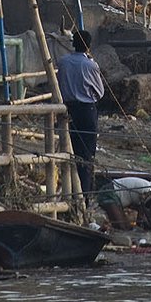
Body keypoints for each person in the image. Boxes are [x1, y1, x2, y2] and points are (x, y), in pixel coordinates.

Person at [55, 30, 105, 194]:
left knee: (70, 150)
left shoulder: (63, 62)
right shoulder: (91, 65)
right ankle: (84, 193)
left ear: (73, 44)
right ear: (89, 46)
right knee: (86, 154)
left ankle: (69, 190)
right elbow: (99, 92)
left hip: (68, 109)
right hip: (86, 110)